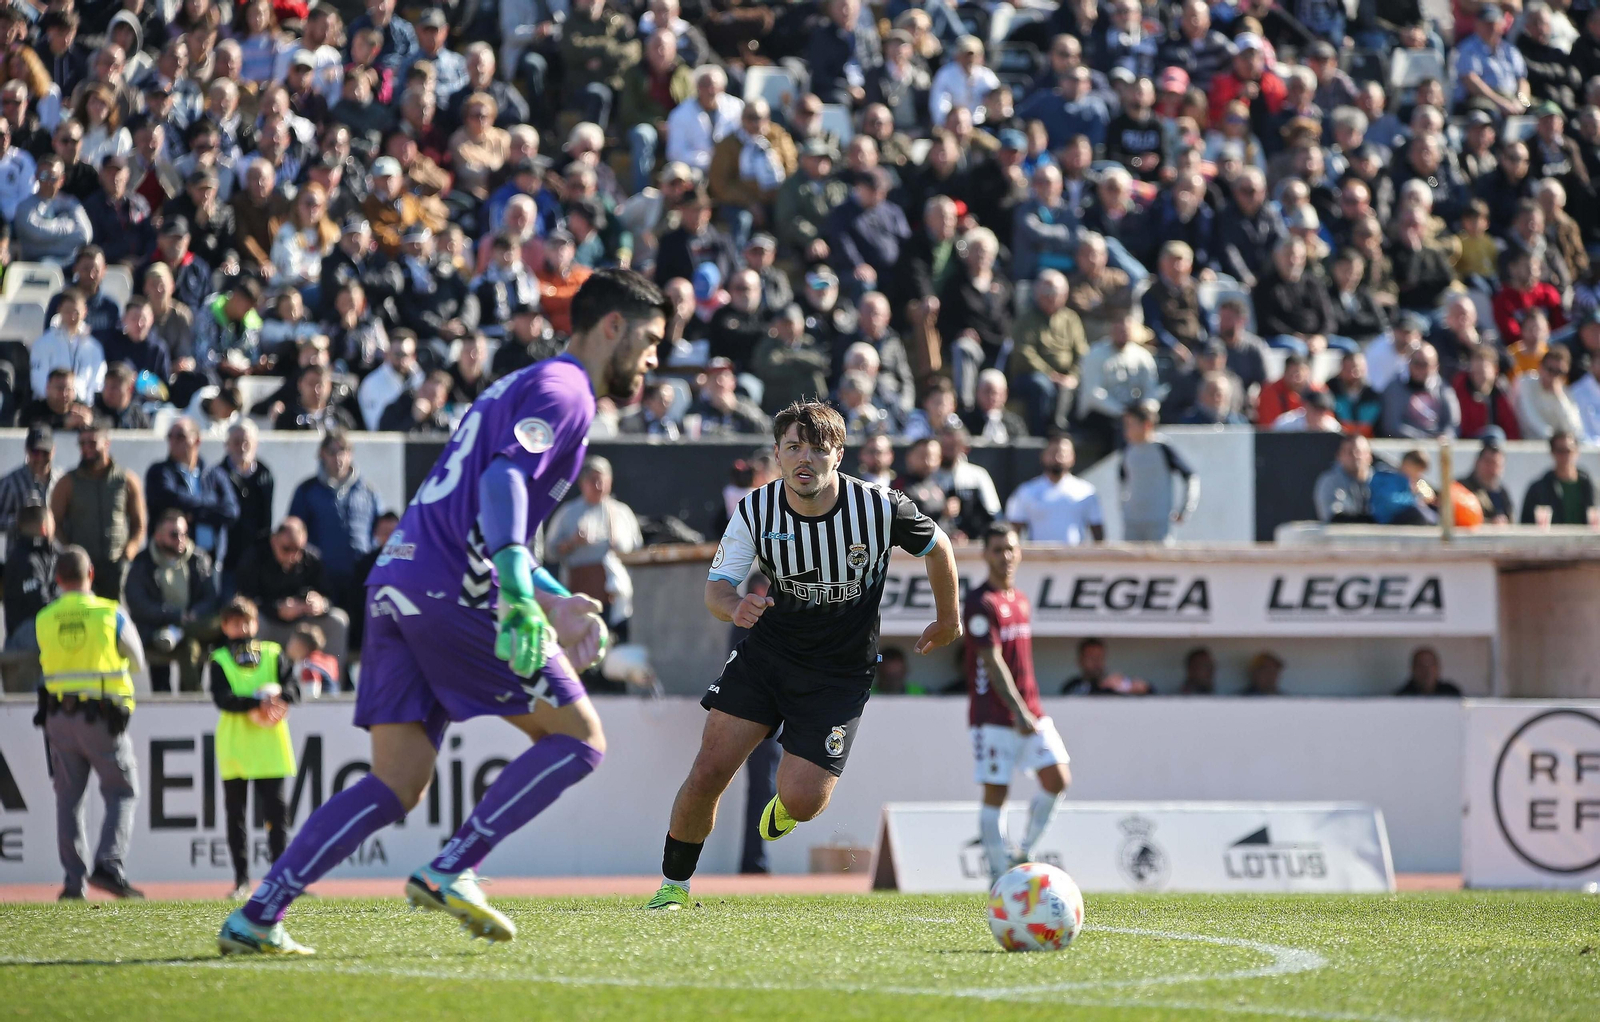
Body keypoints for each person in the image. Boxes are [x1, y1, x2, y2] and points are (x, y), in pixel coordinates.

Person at [220, 269, 662, 954]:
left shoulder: (524, 384)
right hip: (456, 585)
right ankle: (454, 866)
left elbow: (478, 509)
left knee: (397, 782)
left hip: (398, 580)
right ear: (614, 328)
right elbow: (501, 481)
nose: (656, 358)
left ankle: (260, 912)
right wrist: (517, 589)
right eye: (652, 339)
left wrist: (550, 596)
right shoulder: (567, 389)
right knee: (580, 738)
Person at [646, 401, 960, 910]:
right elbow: (717, 589)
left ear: (839, 455)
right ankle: (672, 889)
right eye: (793, 447)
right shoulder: (756, 509)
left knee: (804, 800)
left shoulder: (879, 507)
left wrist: (948, 619)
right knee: (708, 770)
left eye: (817, 448)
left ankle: (786, 808)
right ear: (777, 455)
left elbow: (938, 546)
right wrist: (736, 607)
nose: (804, 459)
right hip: (768, 656)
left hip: (839, 674)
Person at [34, 546, 146, 900]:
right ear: (91, 575)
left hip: (57, 719)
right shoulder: (111, 614)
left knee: (68, 800)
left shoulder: (45, 617)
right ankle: (109, 865)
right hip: (101, 718)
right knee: (122, 791)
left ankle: (72, 884)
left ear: (57, 579)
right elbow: (138, 661)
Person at [965, 523, 1070, 884]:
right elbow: (992, 663)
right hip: (994, 717)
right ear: (985, 555)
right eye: (997, 550)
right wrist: (1017, 710)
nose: (1005, 556)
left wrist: (1028, 710)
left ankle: (1024, 853)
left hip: (1030, 710)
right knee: (997, 792)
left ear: (1019, 552)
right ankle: (998, 876)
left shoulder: (1020, 599)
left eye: (1010, 548)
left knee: (1057, 778)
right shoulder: (980, 602)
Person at [210, 596, 299, 899]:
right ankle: (241, 882)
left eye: (247, 621)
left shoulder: (274, 654)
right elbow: (222, 699)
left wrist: (279, 699)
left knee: (277, 816)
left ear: (256, 623)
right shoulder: (219, 659)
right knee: (237, 817)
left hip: (270, 747)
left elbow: (293, 688)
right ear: (225, 626)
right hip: (236, 747)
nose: (243, 628)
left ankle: (281, 880)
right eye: (235, 623)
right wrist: (256, 703)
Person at [545, 456, 644, 641]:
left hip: (614, 598)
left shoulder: (622, 513)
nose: (598, 485)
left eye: (602, 480)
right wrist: (571, 543)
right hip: (579, 596)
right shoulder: (568, 513)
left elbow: (636, 550)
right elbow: (549, 553)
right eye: (593, 480)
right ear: (582, 483)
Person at [287, 432, 385, 614]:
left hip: (359, 577)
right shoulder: (307, 490)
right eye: (332, 451)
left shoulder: (368, 491)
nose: (338, 457)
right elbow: (294, 533)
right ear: (322, 454)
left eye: (344, 451)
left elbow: (379, 533)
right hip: (322, 579)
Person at [125, 509, 220, 693]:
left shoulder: (198, 559)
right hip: (155, 628)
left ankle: (192, 697)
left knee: (192, 646)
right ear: (158, 536)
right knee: (161, 657)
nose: (181, 539)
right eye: (174, 534)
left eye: (184, 534)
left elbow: (210, 596)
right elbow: (138, 603)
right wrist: (173, 615)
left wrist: (193, 614)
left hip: (192, 627)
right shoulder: (143, 562)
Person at [49, 423, 145, 603]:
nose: (87, 449)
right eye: (82, 444)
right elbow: (54, 522)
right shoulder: (67, 482)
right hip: (82, 569)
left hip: (116, 565)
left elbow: (139, 524)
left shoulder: (126, 480)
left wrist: (128, 553)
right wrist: (71, 552)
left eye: (92, 443)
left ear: (106, 443)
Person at [145, 417, 240, 566]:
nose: (174, 440)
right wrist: (211, 502)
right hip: (172, 560)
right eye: (170, 435)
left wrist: (193, 511)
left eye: (181, 436)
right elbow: (169, 500)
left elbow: (231, 511)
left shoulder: (215, 474)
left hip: (211, 560)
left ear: (197, 441)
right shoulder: (160, 472)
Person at [1120, 400, 1199, 543]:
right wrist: (1125, 509)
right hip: (1132, 524)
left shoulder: (1161, 448)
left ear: (1147, 425)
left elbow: (1190, 476)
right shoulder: (1128, 451)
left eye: (1131, 424)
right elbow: (1123, 482)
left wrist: (1185, 509)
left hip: (1158, 524)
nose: (1126, 429)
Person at [1004, 435, 1105, 544]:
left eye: (1063, 453)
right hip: (1038, 558)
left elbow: (1098, 534)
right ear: (1043, 456)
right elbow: (1013, 530)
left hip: (1074, 558)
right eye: (1052, 453)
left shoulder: (1087, 492)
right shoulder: (1026, 491)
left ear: (1073, 457)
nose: (1057, 458)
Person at [0, 426, 61, 545]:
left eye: (45, 452)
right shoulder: (11, 482)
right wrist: (21, 523)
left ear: (53, 450)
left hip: (54, 556)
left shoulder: (61, 481)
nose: (40, 458)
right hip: (21, 555)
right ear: (27, 450)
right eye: (36, 452)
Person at [1521, 431, 1596, 525]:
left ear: (1577, 452)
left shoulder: (1589, 486)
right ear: (1552, 453)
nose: (1565, 456)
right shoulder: (1538, 489)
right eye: (1560, 451)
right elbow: (1526, 523)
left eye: (1568, 450)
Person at [1315, 434, 1375, 523]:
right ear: (1339, 456)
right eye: (1350, 452)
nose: (1355, 456)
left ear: (1369, 456)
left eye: (1359, 452)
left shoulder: (1383, 481)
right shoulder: (1330, 482)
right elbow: (1333, 517)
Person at [1062, 637, 1150, 694]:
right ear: (1080, 660)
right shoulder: (1072, 685)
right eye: (1091, 657)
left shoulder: (1115, 683)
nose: (1096, 662)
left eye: (1100, 657)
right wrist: (1101, 685)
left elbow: (1147, 690)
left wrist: (1128, 687)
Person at [1395, 646, 1462, 697]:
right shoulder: (1403, 696)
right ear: (1413, 669)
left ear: (1438, 667)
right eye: (1421, 665)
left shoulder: (1451, 693)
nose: (1427, 670)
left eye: (1430, 664)